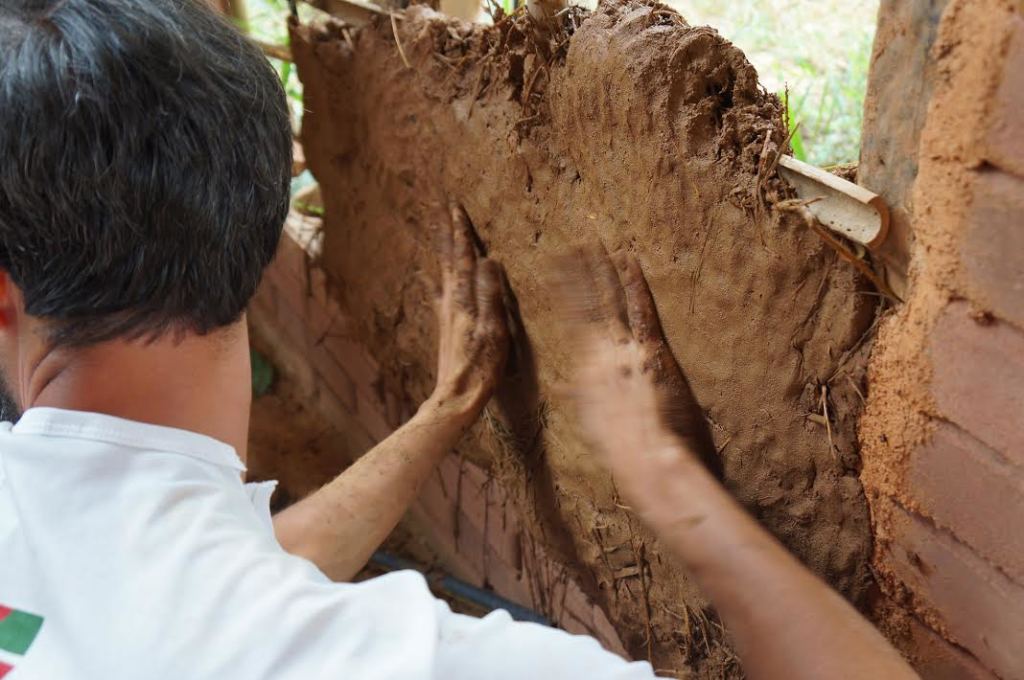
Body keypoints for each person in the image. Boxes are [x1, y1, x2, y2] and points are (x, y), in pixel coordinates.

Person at [0, 0, 917, 678]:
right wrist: (669, 485)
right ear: (252, 223)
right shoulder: (379, 661)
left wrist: (444, 412)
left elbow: (202, 590)